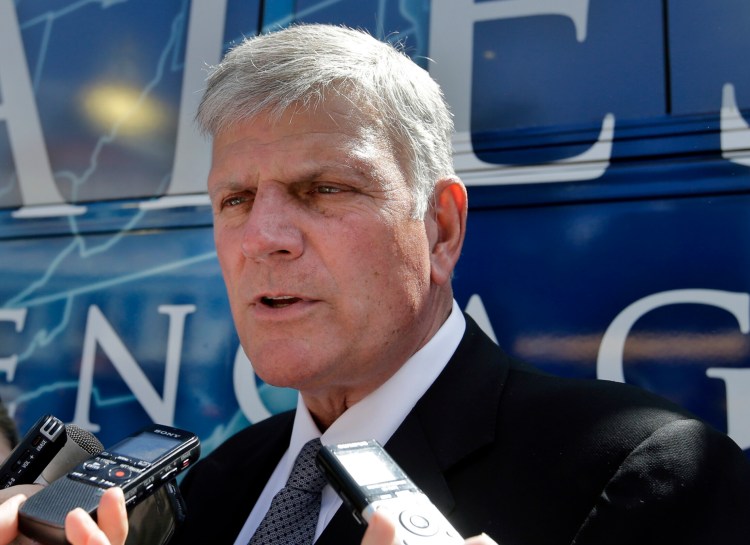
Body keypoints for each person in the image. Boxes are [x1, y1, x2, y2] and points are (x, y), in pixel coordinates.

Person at [1, 22, 749, 545]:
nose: (264, 237)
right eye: (235, 200)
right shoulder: (222, 482)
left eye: (324, 188)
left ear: (441, 229)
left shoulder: (644, 471)